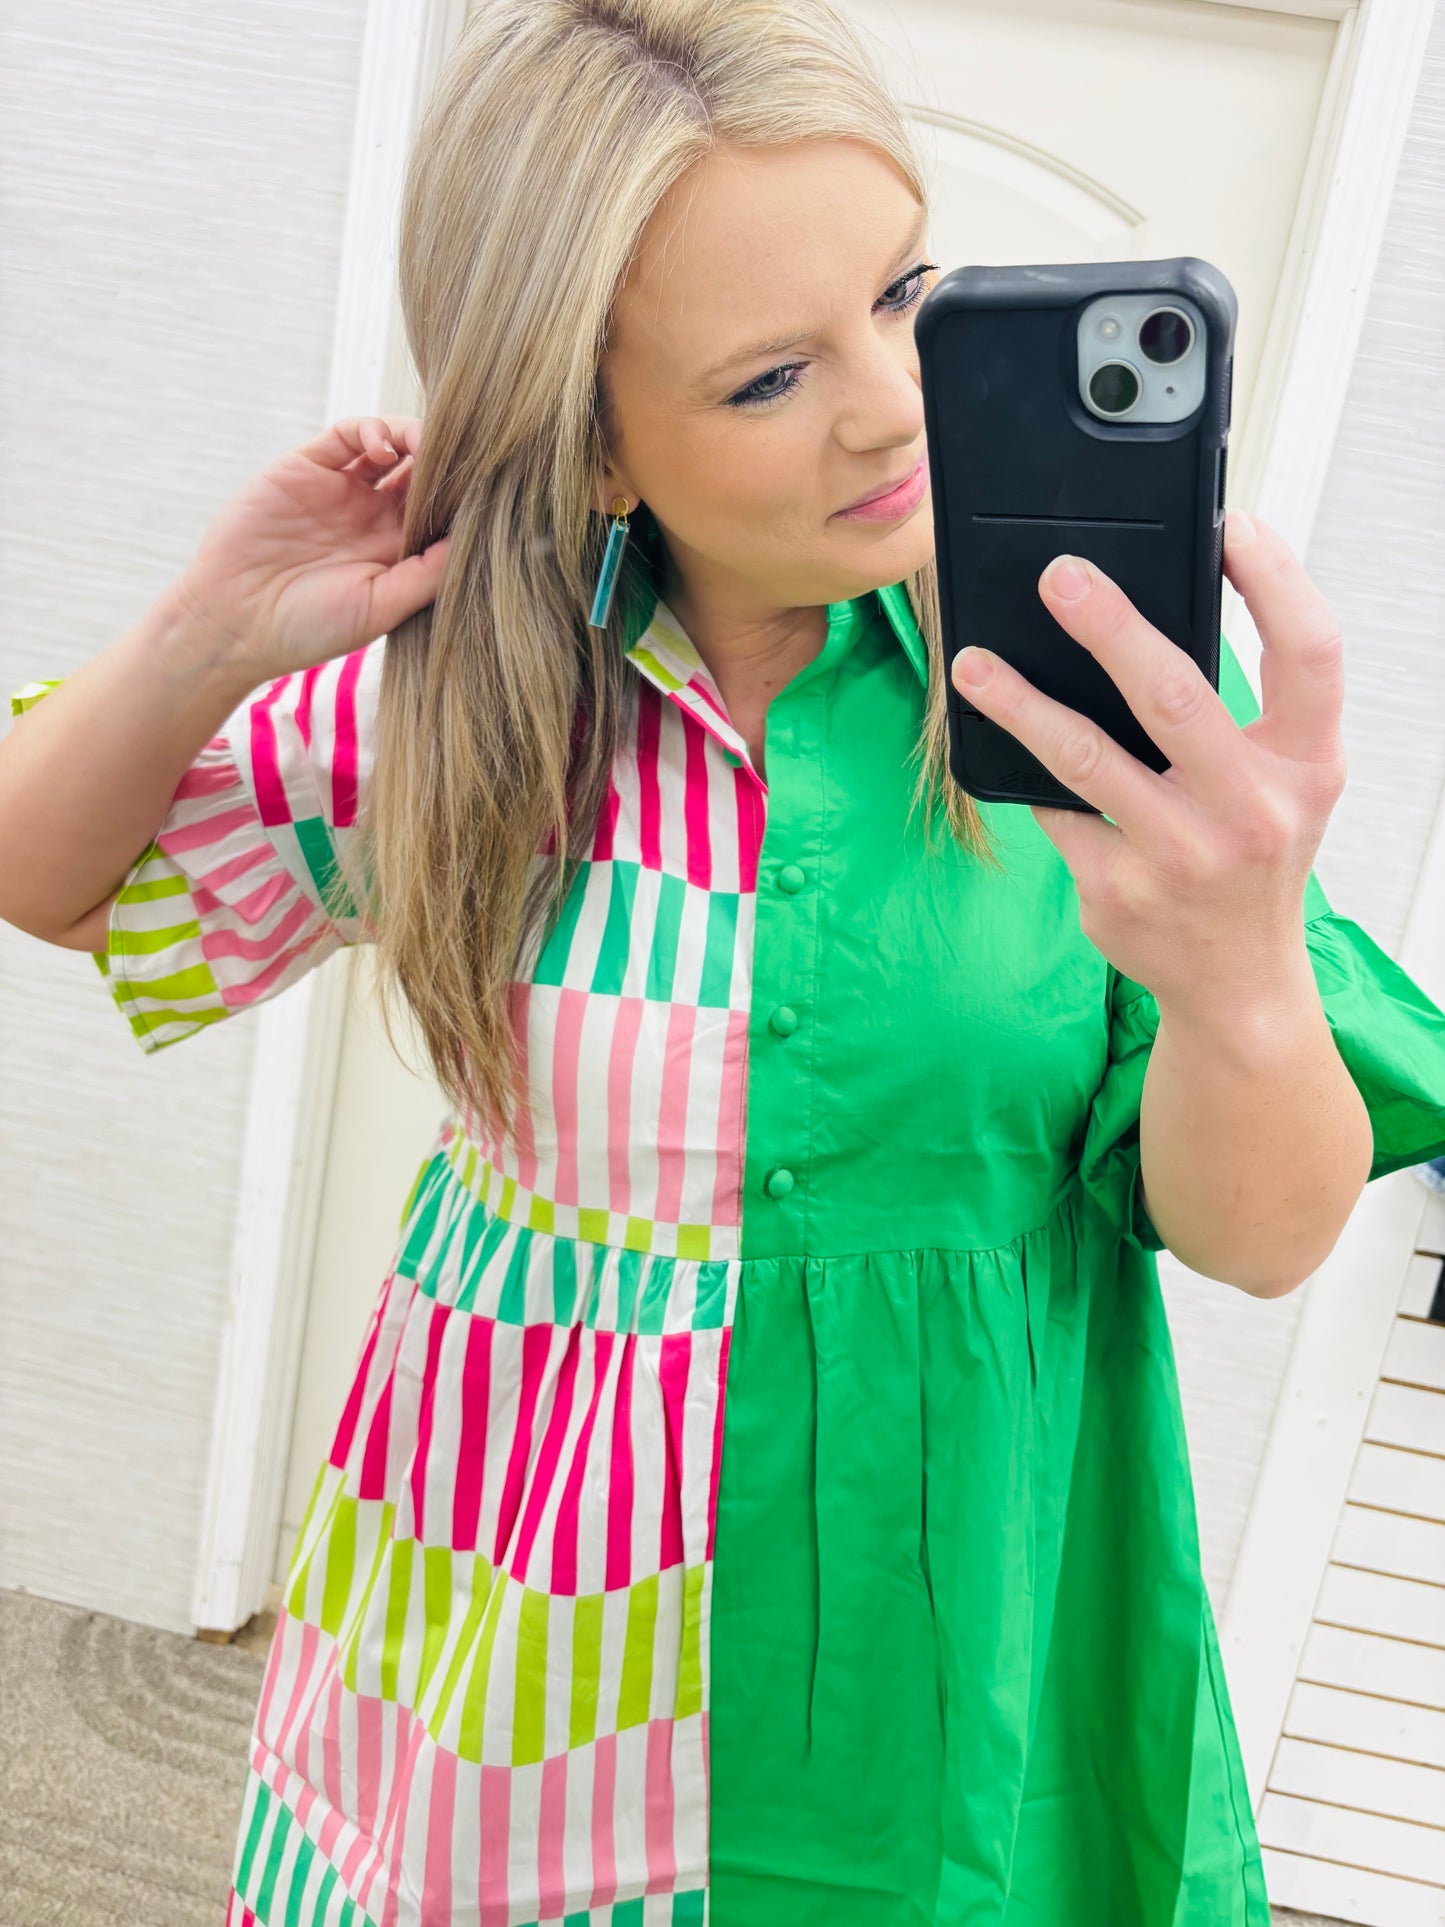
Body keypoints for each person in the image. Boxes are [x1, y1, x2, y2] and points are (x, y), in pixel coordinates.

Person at [4, 2, 1445, 1921]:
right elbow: (55, 879)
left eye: (904, 295)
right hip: (528, 1601)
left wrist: (1242, 967)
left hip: (955, 1602)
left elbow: (1258, 1242)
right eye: (770, 375)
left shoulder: (1099, 700)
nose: (891, 405)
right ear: (595, 444)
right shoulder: (470, 701)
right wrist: (211, 627)